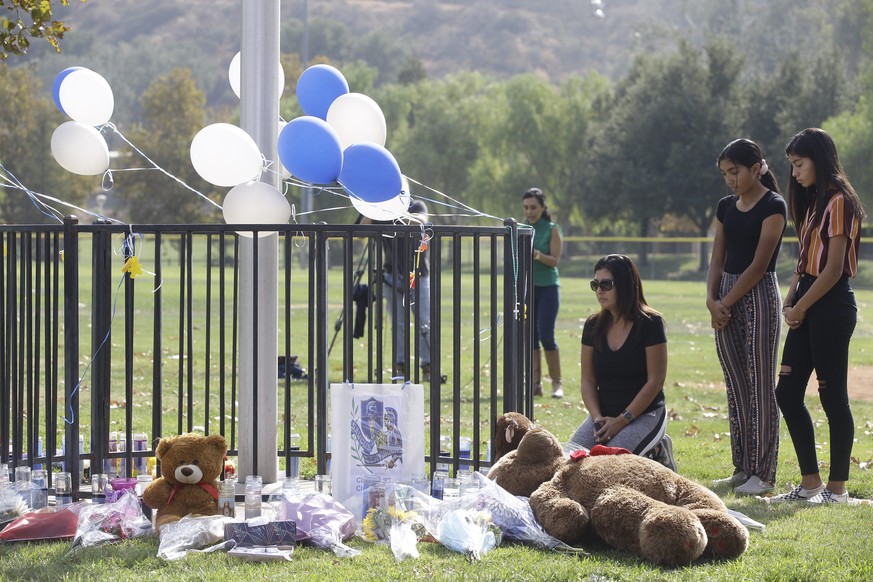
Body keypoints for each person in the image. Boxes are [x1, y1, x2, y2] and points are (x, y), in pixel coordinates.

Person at [769, 128, 865, 504]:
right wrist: (789, 300)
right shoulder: (813, 203)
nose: (794, 173)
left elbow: (834, 268)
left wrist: (802, 306)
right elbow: (805, 264)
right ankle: (810, 485)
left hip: (830, 305)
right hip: (807, 300)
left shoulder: (840, 201)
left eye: (799, 164)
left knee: (832, 398)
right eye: (791, 165)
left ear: (819, 160)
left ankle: (837, 492)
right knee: (788, 393)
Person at [706, 138, 787, 496]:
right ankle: (742, 467)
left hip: (757, 297)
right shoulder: (725, 207)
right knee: (735, 384)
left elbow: (758, 265)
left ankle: (764, 474)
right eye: (725, 173)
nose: (730, 180)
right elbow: (718, 258)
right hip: (724, 297)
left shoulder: (774, 206)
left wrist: (726, 301)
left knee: (760, 387)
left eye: (735, 172)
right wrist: (711, 300)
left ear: (756, 169)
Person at [567, 254, 676, 470]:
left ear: (625, 285)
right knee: (568, 463)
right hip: (603, 416)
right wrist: (598, 418)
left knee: (607, 467)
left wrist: (622, 420)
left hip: (644, 413)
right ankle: (649, 451)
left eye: (606, 284)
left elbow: (655, 381)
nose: (599, 291)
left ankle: (657, 449)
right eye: (595, 284)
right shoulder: (592, 325)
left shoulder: (651, 323)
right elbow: (588, 380)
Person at [362, 198, 434, 382]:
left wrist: (395, 212)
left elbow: (420, 222)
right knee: (398, 324)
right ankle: (400, 366)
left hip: (418, 274)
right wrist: (374, 207)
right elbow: (362, 229)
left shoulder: (417, 205)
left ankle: (428, 367)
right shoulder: (378, 207)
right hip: (391, 275)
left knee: (424, 322)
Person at [523, 188, 564, 398]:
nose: (530, 212)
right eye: (526, 208)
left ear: (543, 208)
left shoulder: (551, 229)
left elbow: (555, 260)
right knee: (531, 337)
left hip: (548, 288)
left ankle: (557, 384)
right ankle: (534, 384)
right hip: (528, 289)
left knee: (547, 335)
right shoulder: (522, 229)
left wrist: (537, 255)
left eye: (533, 207)